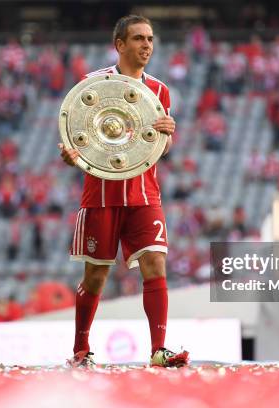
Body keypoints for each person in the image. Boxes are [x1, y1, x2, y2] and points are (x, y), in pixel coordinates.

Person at [58, 15, 189, 368]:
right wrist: (71, 157)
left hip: (145, 195)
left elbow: (157, 147)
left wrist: (167, 134)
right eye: (138, 39)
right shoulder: (92, 86)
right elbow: (78, 141)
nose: (147, 45)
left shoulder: (160, 91)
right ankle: (80, 350)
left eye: (150, 39)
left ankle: (158, 350)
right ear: (119, 44)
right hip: (101, 197)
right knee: (96, 275)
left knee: (155, 263)